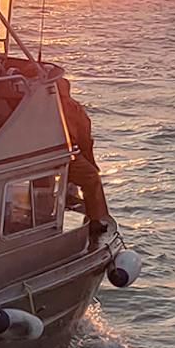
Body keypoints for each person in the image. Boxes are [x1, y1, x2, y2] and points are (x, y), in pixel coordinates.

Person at [59, 79, 110, 234]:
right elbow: (84, 138)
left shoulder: (34, 105)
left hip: (37, 154)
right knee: (92, 178)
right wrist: (91, 162)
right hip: (65, 155)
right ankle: (95, 220)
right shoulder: (72, 107)